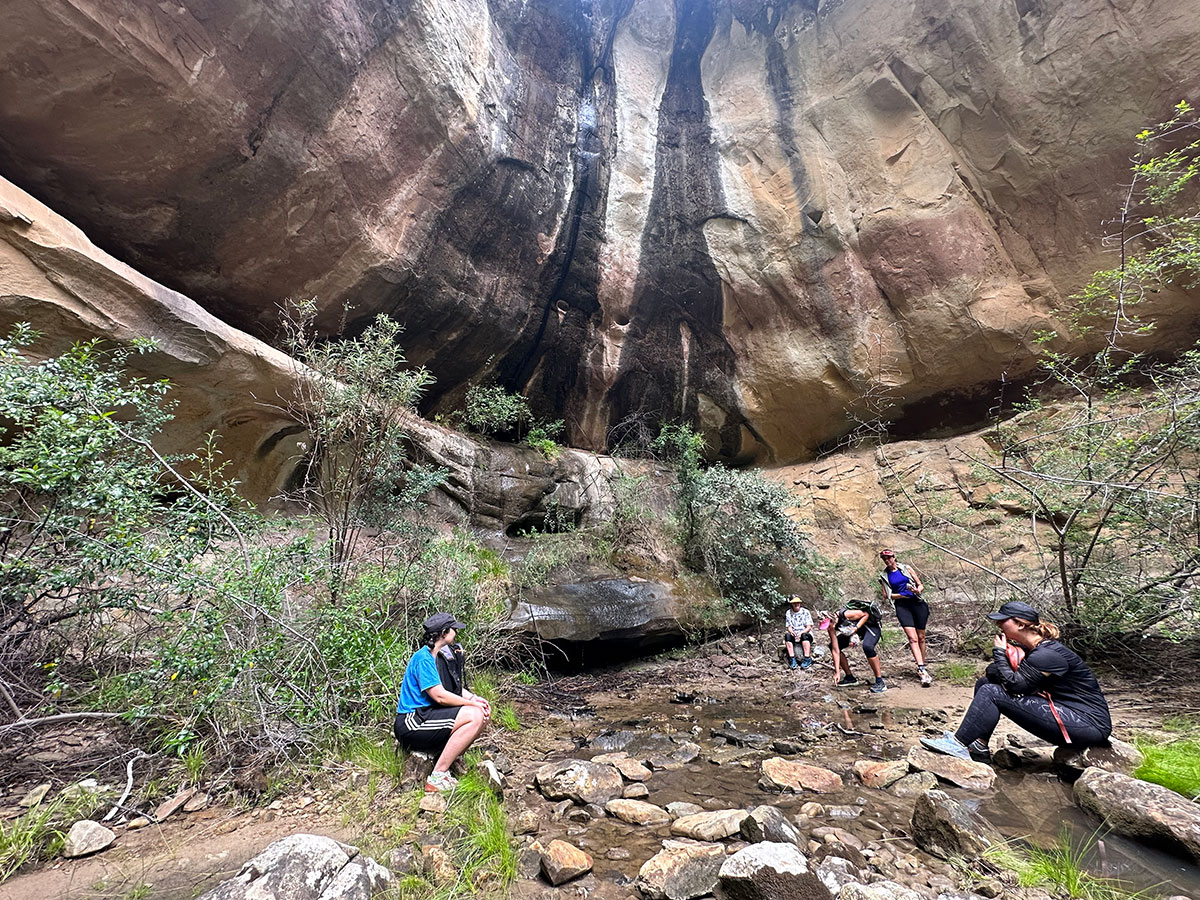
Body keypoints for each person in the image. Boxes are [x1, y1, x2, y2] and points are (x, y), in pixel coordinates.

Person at [921, 601, 1112, 761]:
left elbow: (1016, 686)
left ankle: (958, 744)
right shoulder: (1034, 650)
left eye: (1003, 621)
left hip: (1090, 724)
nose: (999, 626)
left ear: (1020, 624)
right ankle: (978, 745)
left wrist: (999, 653)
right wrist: (1006, 658)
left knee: (991, 692)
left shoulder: (1048, 654)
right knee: (984, 685)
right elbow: (994, 674)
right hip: (1070, 714)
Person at [394, 612, 491, 792]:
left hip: (427, 716)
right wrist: (472, 705)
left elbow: (450, 689)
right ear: (444, 632)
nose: (456, 632)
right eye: (454, 629)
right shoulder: (423, 658)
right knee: (475, 715)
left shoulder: (436, 656)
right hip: (412, 721)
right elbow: (440, 696)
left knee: (483, 713)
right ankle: (437, 776)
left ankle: (452, 758)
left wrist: (474, 698)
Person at [878, 548, 932, 687]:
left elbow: (920, 585)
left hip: (917, 603)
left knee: (921, 637)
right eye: (884, 559)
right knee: (912, 638)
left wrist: (916, 590)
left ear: (894, 557)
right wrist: (901, 595)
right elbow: (886, 595)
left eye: (889, 557)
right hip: (902, 606)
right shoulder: (883, 576)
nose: (887, 560)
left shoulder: (906, 568)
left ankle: (923, 664)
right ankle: (921, 669)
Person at [825, 599, 887, 693]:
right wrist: (837, 672)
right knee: (832, 645)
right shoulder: (830, 628)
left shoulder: (845, 614)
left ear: (832, 620)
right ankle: (850, 678)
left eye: (829, 625)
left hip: (870, 627)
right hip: (856, 631)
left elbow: (865, 614)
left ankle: (880, 682)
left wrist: (856, 628)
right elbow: (835, 649)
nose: (829, 628)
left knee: (868, 647)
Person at [783, 596, 814, 669]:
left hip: (805, 633)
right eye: (794, 603)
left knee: (804, 635)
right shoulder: (788, 612)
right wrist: (792, 632)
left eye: (797, 602)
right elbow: (789, 626)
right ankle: (792, 659)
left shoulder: (805, 612)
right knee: (787, 636)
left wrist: (801, 633)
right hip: (794, 634)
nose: (796, 604)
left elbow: (809, 627)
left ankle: (807, 658)